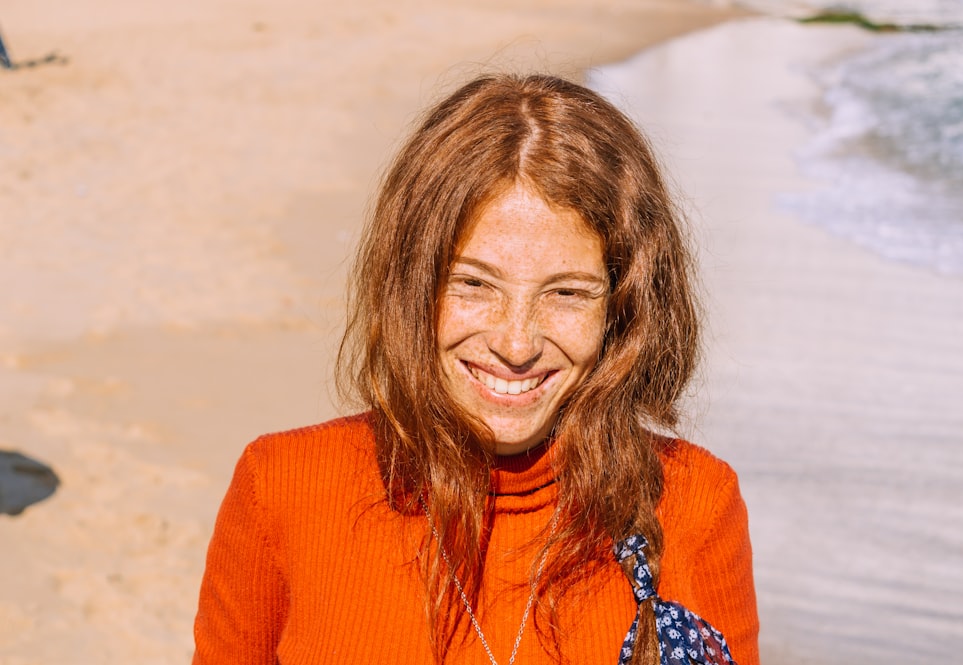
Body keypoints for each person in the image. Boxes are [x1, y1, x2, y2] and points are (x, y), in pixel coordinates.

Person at [192, 73, 758, 665]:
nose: (516, 343)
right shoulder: (282, 488)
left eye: (566, 293)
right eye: (474, 284)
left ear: (623, 307)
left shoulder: (693, 503)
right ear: (413, 285)